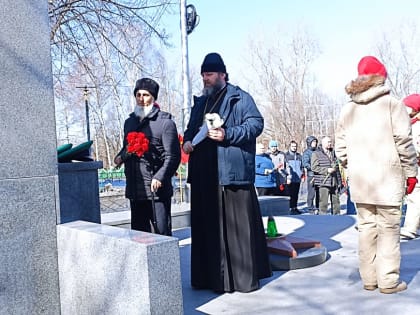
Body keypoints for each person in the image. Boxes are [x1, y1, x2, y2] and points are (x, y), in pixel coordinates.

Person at [182, 52, 272, 293]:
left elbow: (256, 124)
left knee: (235, 229)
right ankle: (208, 278)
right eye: (203, 75)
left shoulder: (239, 98)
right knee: (207, 229)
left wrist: (228, 134)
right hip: (204, 175)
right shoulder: (200, 102)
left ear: (222, 74)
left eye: (209, 74)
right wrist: (187, 142)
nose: (205, 79)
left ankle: (241, 279)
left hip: (231, 172)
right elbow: (190, 129)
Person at [335, 56, 418, 294]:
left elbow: (340, 147)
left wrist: (352, 164)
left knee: (367, 229)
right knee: (389, 231)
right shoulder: (393, 105)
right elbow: (404, 142)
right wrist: (411, 173)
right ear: (381, 76)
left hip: (361, 180)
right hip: (388, 178)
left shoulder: (347, 109)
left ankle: (369, 278)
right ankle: (388, 280)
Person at [114, 78, 181, 236]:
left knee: (161, 235)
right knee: (139, 238)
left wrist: (159, 177)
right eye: (138, 95)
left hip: (156, 191)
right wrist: (120, 157)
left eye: (145, 95)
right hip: (135, 191)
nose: (141, 99)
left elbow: (173, 156)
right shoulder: (129, 122)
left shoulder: (165, 123)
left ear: (153, 97)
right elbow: (127, 148)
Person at [400, 94, 420, 240]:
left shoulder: (417, 126)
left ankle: (410, 228)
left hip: (416, 164)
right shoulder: (410, 123)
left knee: (414, 197)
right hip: (410, 163)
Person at [311, 136, 342, 215]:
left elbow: (337, 168)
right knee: (323, 204)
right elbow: (314, 168)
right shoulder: (316, 154)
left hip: (334, 182)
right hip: (323, 182)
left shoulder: (333, 153)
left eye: (330, 142)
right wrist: (326, 170)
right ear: (323, 143)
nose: (330, 143)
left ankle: (337, 219)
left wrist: (339, 182)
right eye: (328, 142)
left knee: (336, 204)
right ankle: (323, 220)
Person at [284, 140, 304, 214]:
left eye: (295, 146)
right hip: (290, 179)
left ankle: (295, 207)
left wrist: (302, 174)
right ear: (290, 146)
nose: (294, 148)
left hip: (297, 178)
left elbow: (302, 166)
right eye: (293, 146)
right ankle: (289, 208)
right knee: (289, 194)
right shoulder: (286, 156)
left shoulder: (299, 156)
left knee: (296, 194)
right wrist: (286, 177)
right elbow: (285, 167)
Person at [302, 136, 319, 213]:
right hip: (311, 174)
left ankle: (318, 207)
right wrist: (314, 168)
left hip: (319, 174)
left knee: (319, 192)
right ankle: (310, 207)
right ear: (309, 143)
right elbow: (305, 163)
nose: (315, 144)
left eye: (315, 142)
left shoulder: (318, 151)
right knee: (311, 192)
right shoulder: (306, 153)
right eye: (313, 142)